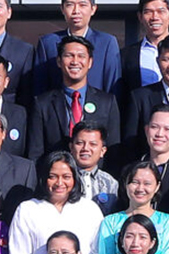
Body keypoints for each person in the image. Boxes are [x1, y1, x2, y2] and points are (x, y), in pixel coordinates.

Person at [9, 151, 104, 254]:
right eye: (52, 177)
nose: (59, 183)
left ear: (75, 178)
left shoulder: (90, 209)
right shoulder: (27, 209)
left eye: (66, 177)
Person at [26, 34, 119, 164]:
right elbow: (35, 153)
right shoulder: (42, 103)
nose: (75, 61)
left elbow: (114, 151)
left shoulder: (107, 102)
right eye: (69, 55)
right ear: (59, 61)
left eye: (81, 56)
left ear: (90, 62)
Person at [30, 0, 122, 98]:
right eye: (70, 5)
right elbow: (39, 88)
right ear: (62, 9)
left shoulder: (107, 43)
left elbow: (113, 88)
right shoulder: (48, 43)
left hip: (96, 107)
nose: (76, 11)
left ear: (93, 9)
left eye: (82, 5)